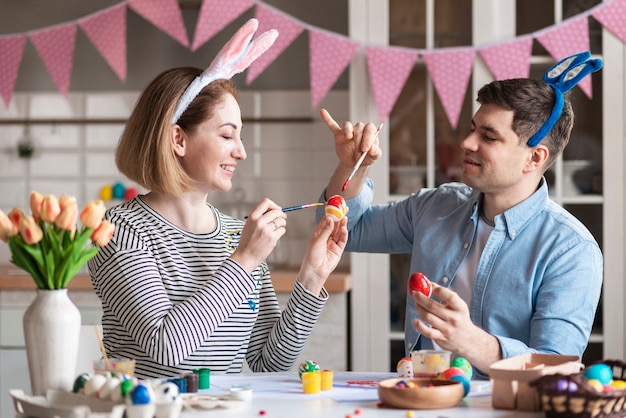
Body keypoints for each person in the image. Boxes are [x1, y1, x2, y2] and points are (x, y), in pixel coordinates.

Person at [88, 19, 348, 380]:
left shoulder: (234, 234)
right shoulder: (120, 232)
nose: (240, 152)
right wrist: (243, 261)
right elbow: (166, 349)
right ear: (178, 139)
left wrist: (311, 278)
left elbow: (267, 361)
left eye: (239, 137)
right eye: (227, 135)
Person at [317, 51, 603, 379]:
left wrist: (469, 340)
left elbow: (557, 368)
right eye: (473, 129)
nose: (467, 142)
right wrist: (353, 166)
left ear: (534, 158)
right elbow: (346, 230)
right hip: (419, 399)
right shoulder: (438, 206)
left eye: (489, 136)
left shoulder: (572, 250)